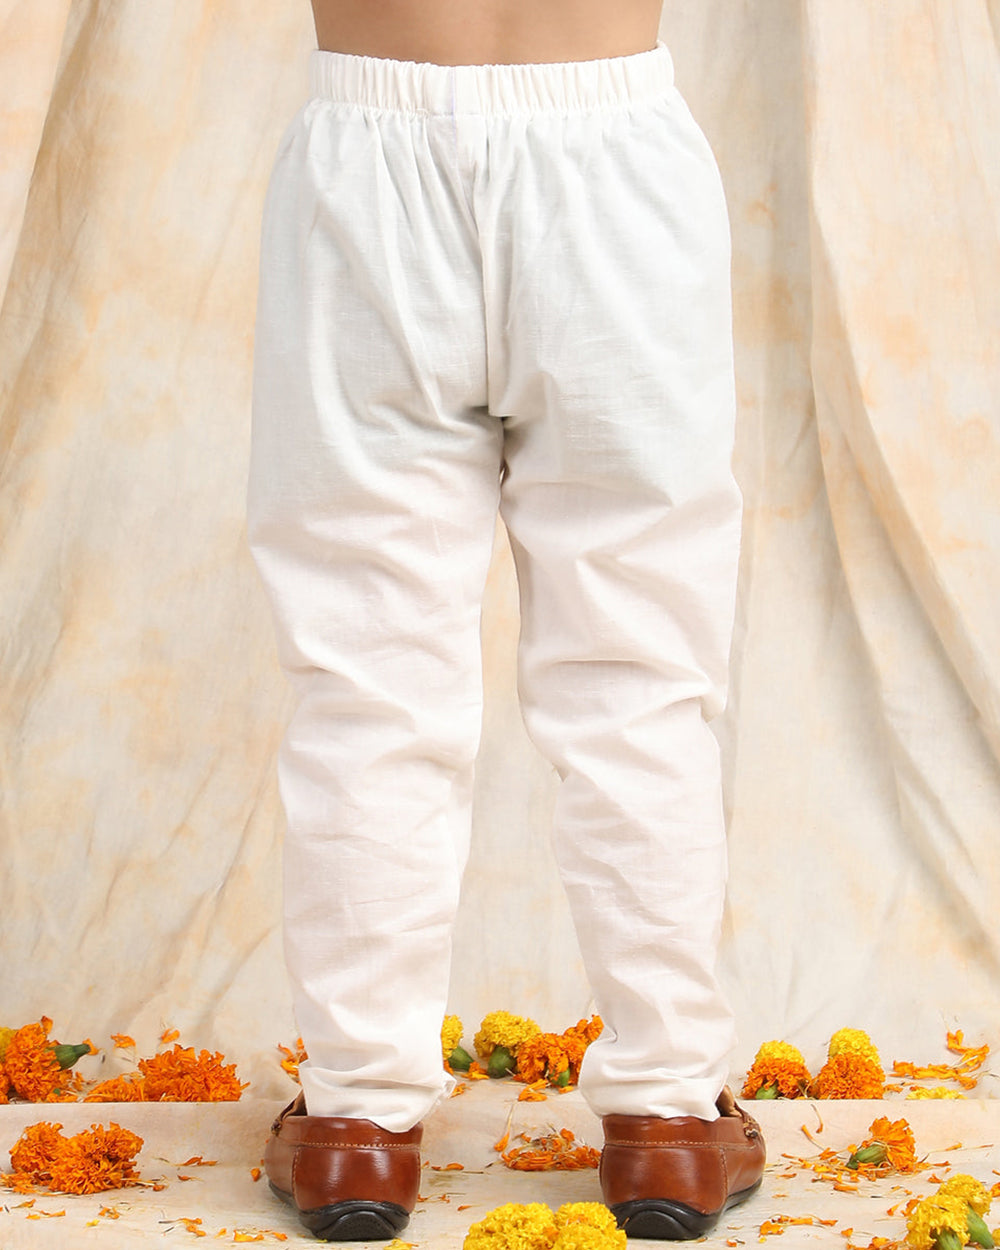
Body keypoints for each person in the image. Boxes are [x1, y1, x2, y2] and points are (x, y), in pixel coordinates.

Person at [247, 0, 766, 1240]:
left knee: (365, 675)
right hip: (612, 156)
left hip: (366, 150)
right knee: (639, 672)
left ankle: (356, 1121)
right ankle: (668, 1114)